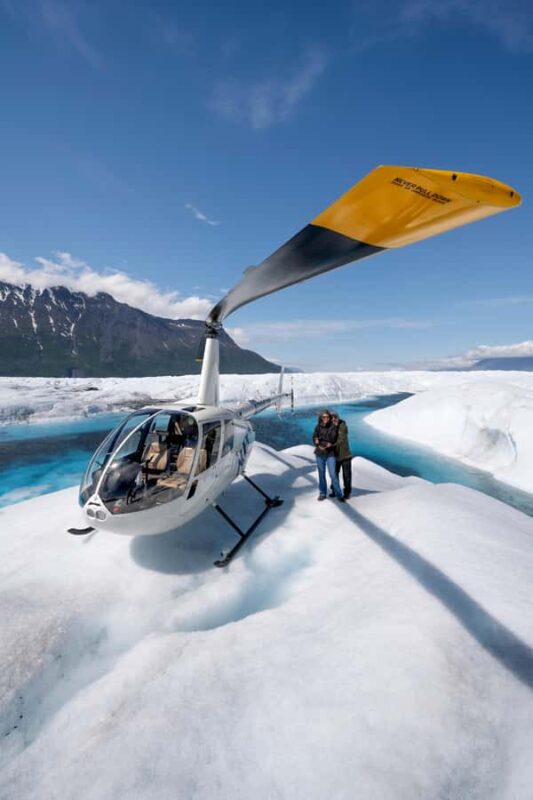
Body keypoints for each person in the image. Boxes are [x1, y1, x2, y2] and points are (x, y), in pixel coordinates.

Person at [312, 410, 344, 502]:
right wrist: (317, 442)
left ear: (330, 417)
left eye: (327, 417)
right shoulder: (318, 427)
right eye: (324, 417)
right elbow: (314, 437)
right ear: (321, 418)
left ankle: (339, 494)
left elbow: (334, 440)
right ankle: (322, 493)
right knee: (321, 474)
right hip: (320, 453)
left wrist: (325, 443)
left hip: (330, 454)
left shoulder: (333, 427)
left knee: (333, 474)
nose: (326, 418)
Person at [330, 412, 352, 499]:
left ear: (338, 418)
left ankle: (347, 493)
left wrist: (330, 445)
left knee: (347, 476)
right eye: (332, 418)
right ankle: (334, 491)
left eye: (336, 417)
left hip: (345, 456)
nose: (334, 419)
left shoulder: (343, 426)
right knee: (334, 475)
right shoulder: (330, 428)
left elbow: (340, 439)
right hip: (335, 456)